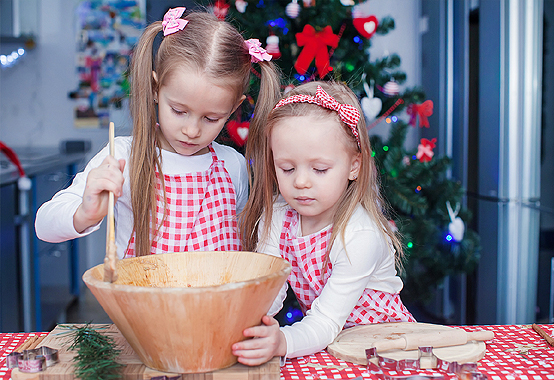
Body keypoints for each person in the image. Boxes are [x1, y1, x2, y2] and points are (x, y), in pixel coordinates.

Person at [35, 8, 281, 258]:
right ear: (155, 89)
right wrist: (84, 213)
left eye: (210, 118)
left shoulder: (233, 166)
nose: (191, 130)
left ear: (234, 108)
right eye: (178, 110)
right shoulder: (123, 157)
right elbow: (43, 226)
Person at [233, 81, 415, 365]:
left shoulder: (360, 235)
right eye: (287, 168)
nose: (301, 182)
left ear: (354, 166)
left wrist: (282, 340)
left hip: (387, 350)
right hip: (330, 347)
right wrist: (242, 327)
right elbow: (268, 290)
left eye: (319, 169)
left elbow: (326, 319)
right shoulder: (278, 218)